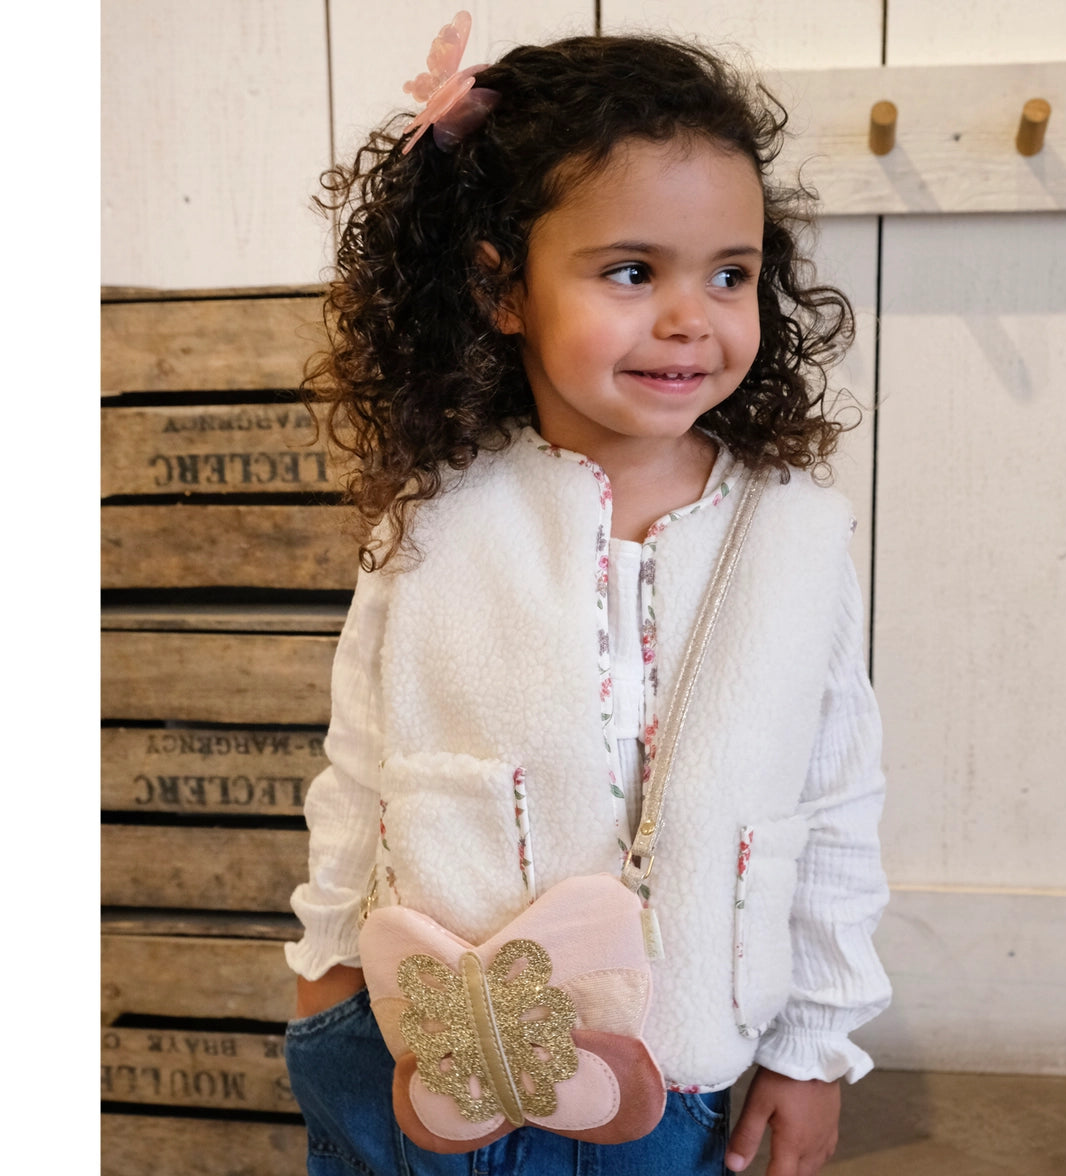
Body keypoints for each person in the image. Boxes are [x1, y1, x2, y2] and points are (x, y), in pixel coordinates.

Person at [283, 17, 891, 1176]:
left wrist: (814, 1050)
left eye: (730, 274)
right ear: (502, 288)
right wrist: (327, 970)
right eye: (632, 271)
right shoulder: (439, 515)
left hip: (669, 1077)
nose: (690, 316)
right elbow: (360, 760)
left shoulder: (796, 536)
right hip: (422, 1052)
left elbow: (836, 803)